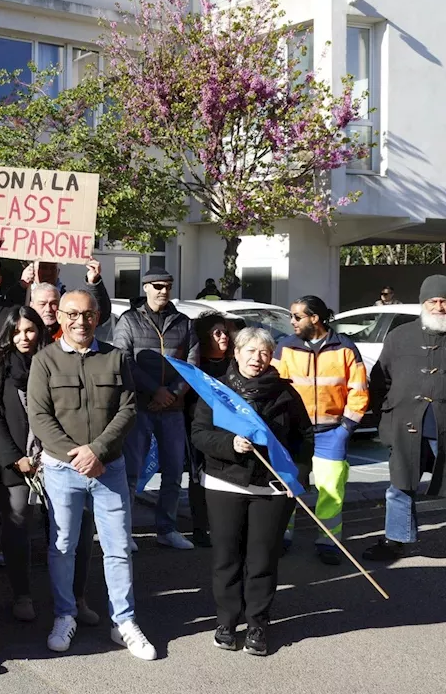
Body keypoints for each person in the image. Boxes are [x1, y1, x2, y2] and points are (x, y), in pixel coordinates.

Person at [29, 290, 156, 660]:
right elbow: (39, 417)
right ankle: (64, 614)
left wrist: (97, 451)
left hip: (109, 468)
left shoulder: (115, 357)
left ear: (97, 316)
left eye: (87, 315)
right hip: (61, 469)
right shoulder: (45, 360)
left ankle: (125, 622)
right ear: (60, 315)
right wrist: (76, 455)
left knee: (117, 547)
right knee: (62, 545)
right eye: (71, 314)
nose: (79, 322)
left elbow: (128, 409)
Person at [191, 327, 313, 656]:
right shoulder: (216, 391)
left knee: (262, 559)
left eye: (264, 353)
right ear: (236, 353)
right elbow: (200, 434)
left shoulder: (287, 395)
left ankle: (258, 623)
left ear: (272, 356)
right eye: (250, 351)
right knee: (227, 558)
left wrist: (297, 477)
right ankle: (227, 621)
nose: (256, 359)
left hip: (271, 488)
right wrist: (230, 444)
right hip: (224, 482)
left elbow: (304, 440)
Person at [0, 306, 98, 625]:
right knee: (17, 523)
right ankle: (22, 595)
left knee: (77, 527)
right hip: (15, 463)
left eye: (29, 330)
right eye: (16, 331)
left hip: (58, 459)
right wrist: (15, 458)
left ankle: (77, 598)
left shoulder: (55, 362)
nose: (23, 337)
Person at [273, 295, 368, 565]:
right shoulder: (285, 347)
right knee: (289, 485)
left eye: (297, 317)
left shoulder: (345, 348)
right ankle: (282, 536)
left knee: (331, 490)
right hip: (294, 433)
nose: (291, 321)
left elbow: (359, 391)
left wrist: (346, 428)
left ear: (315, 318)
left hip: (331, 432)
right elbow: (274, 387)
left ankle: (328, 541)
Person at [113, 267, 200, 550]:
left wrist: (171, 394)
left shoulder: (184, 323)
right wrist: (155, 390)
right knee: (131, 472)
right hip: (139, 406)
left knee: (174, 471)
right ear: (146, 288)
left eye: (168, 286)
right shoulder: (129, 320)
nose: (164, 291)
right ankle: (123, 532)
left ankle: (167, 528)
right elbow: (124, 360)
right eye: (158, 286)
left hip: (172, 409)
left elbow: (192, 364)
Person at [363, 275, 446, 561]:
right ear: (423, 303)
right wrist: (384, 420)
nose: (439, 306)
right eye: (432, 301)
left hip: (443, 426)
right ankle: (396, 540)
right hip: (406, 425)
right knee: (400, 485)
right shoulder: (399, 336)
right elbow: (379, 381)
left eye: (444, 301)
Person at [183, 312, 234, 549]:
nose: (224, 336)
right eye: (217, 332)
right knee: (198, 476)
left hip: (229, 430)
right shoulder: (197, 366)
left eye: (225, 331)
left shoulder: (235, 364)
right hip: (201, 428)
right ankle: (200, 527)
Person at [12, 259, 112, 324]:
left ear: (58, 272)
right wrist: (21, 286)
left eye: (52, 268)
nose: (48, 272)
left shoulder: (68, 299)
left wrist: (93, 282)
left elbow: (99, 316)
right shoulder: (23, 295)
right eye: (43, 267)